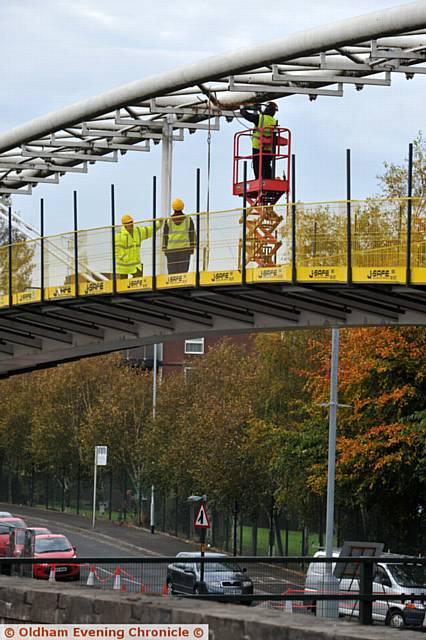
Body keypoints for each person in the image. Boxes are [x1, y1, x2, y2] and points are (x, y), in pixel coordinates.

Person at [239, 102, 279, 179]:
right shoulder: (274, 121)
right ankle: (268, 179)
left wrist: (242, 109)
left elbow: (248, 116)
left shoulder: (260, 118)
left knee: (257, 166)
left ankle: (259, 179)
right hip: (269, 149)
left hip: (258, 146)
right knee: (266, 165)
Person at [115, 214, 161, 279]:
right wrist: (126, 259)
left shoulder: (137, 231)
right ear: (124, 225)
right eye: (128, 223)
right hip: (123, 266)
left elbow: (149, 230)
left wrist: (158, 224)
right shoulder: (119, 236)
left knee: (138, 282)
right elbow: (117, 251)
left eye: (131, 222)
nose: (131, 224)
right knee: (122, 286)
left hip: (135, 265)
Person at [162, 198, 196, 274]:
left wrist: (165, 248)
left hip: (171, 250)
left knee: (172, 273)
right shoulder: (188, 219)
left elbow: (165, 236)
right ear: (182, 207)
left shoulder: (168, 220)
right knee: (183, 273)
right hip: (185, 249)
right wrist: (192, 247)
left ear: (173, 208)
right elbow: (192, 234)